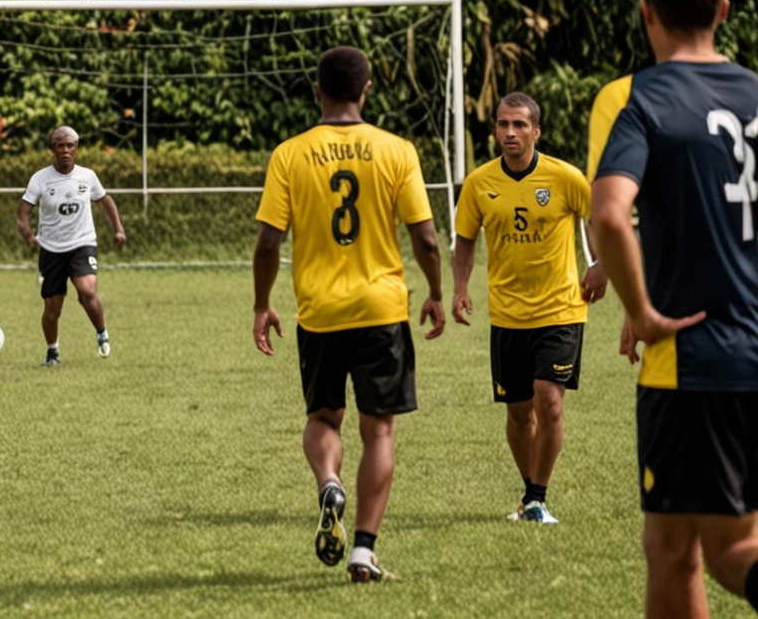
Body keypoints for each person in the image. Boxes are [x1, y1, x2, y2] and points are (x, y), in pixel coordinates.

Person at [590, 0, 758, 618]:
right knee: (670, 546)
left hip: (696, 360)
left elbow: (608, 214)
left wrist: (644, 310)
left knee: (725, 552)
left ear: (645, 12)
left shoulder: (642, 99)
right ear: (722, 9)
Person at [252, 46, 445, 582]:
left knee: (323, 418)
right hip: (382, 308)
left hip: (319, 314)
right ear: (365, 91)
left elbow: (268, 243)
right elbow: (426, 237)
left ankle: (328, 481)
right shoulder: (397, 150)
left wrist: (262, 304)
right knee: (379, 430)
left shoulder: (290, 154)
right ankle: (364, 549)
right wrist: (434, 290)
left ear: (318, 92)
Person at [451, 92, 607, 525]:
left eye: (520, 125)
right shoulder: (479, 184)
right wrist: (460, 288)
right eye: (503, 125)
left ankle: (538, 498)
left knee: (549, 401)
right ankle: (529, 495)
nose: (510, 133)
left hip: (560, 308)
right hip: (507, 314)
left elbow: (597, 218)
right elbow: (464, 240)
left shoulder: (565, 177)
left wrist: (600, 265)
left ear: (536, 131)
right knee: (519, 413)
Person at [16, 126, 126, 366]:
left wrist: (118, 228)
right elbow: (23, 212)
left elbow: (105, 200)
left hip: (82, 244)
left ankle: (101, 334)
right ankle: (52, 352)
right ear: (52, 150)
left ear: (76, 149)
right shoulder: (40, 179)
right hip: (51, 249)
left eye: (70, 145)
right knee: (53, 308)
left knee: (87, 292)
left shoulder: (87, 176)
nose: (65, 150)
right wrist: (27, 235)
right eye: (60, 145)